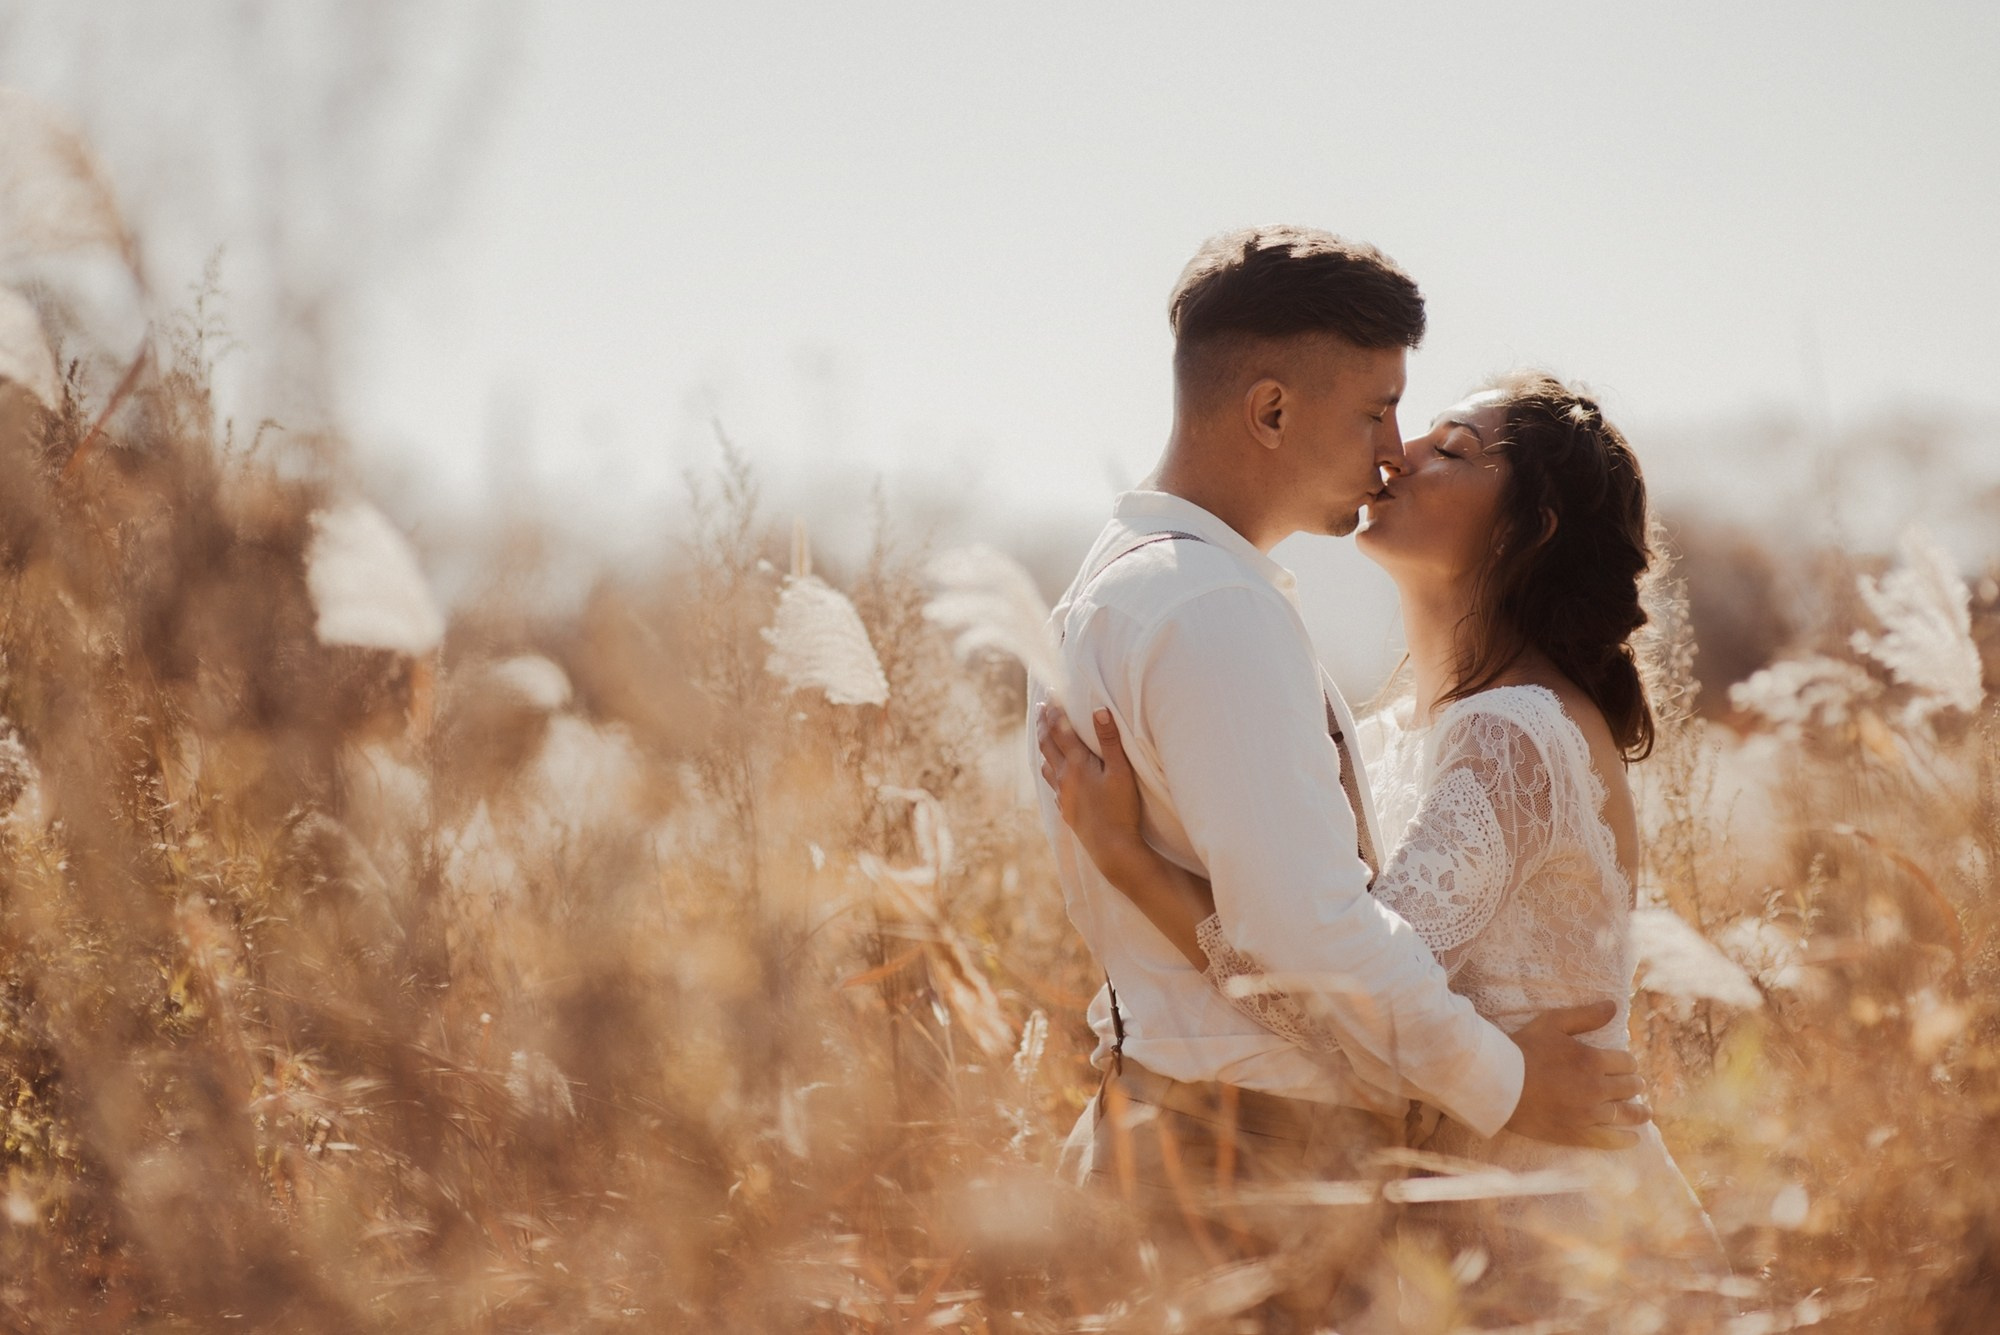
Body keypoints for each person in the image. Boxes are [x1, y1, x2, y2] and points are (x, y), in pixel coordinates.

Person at [1027, 226, 1647, 1318]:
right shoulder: (1215, 609)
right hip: (1250, 1158)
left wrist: (1129, 862)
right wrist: (1504, 1083)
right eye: (1377, 411)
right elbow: (1310, 941)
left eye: (1428, 434)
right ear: (1269, 411)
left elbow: (1297, 938)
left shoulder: (1122, 583)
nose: (1392, 451)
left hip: (1263, 1146)